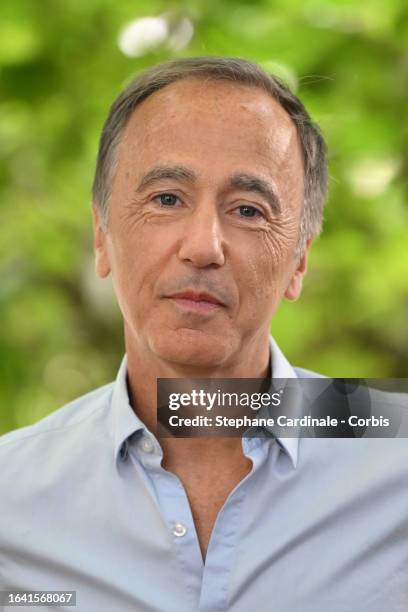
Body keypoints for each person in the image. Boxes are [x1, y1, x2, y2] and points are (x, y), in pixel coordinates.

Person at [0, 57, 407, 612]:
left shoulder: (395, 455)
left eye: (247, 210)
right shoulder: (12, 495)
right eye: (166, 198)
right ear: (101, 236)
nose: (204, 246)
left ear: (298, 262)